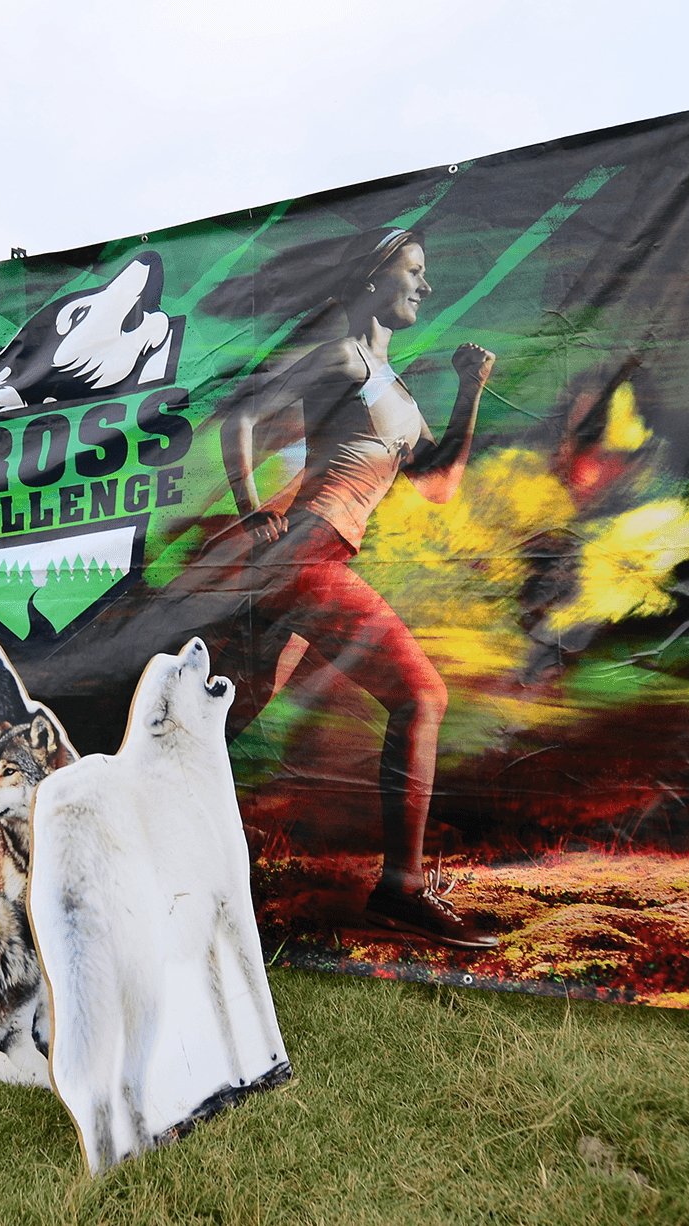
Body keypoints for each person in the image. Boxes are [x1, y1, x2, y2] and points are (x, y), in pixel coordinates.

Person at [214, 227, 497, 949]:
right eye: (414, 270)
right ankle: (401, 890)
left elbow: (438, 483)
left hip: (311, 559)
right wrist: (253, 510)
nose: (425, 286)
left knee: (226, 722)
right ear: (374, 278)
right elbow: (241, 416)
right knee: (422, 695)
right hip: (307, 554)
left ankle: (126, 838)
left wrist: (470, 392)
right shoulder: (343, 356)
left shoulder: (393, 387)